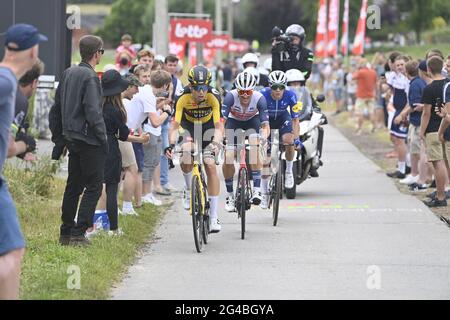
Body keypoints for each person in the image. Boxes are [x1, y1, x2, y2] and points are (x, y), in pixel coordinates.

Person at [0, 23, 46, 300]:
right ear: (33, 50)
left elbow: (5, 147)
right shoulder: (6, 81)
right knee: (13, 251)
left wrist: (22, 145)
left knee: (13, 250)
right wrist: (25, 145)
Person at [49, 35, 108, 246]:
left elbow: (55, 109)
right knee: (94, 186)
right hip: (89, 139)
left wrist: (59, 137)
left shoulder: (68, 73)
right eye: (101, 52)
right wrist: (103, 139)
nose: (101, 55)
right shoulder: (90, 77)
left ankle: (65, 232)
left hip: (71, 137)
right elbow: (93, 112)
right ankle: (79, 231)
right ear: (96, 54)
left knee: (73, 186)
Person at [165, 65, 223, 233]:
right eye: (197, 88)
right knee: (186, 152)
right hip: (188, 127)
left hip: (208, 128)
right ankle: (189, 189)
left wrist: (216, 143)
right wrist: (170, 143)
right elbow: (175, 124)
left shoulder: (214, 96)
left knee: (210, 165)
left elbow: (219, 125)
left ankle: (213, 217)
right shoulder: (182, 97)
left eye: (204, 87)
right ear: (190, 86)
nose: (201, 92)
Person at [99, 70, 149, 235]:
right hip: (111, 148)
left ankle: (94, 222)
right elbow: (123, 134)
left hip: (94, 147)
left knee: (95, 187)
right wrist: (140, 139)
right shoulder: (116, 110)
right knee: (112, 188)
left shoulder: (96, 105)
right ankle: (113, 227)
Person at [221, 71, 270, 212]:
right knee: (229, 157)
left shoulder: (259, 99)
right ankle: (230, 195)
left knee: (254, 149)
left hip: (252, 122)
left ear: (252, 90)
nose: (244, 95)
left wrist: (264, 138)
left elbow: (265, 125)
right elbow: (221, 122)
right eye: (241, 92)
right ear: (237, 90)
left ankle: (256, 190)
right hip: (233, 122)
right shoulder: (230, 96)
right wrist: (222, 137)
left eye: (248, 92)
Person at [259, 70, 302, 209]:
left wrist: (297, 139)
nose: (278, 90)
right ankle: (264, 193)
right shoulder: (262, 95)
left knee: (289, 141)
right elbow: (256, 117)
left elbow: (295, 120)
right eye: (274, 87)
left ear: (285, 87)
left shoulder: (291, 95)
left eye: (281, 87)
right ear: (269, 86)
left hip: (283, 119)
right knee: (266, 159)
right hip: (267, 122)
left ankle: (289, 171)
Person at [419, 56, 449, 207]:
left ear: (429, 70)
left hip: (433, 129)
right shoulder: (447, 84)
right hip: (446, 127)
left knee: (438, 164)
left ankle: (440, 195)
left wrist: (421, 131)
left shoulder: (429, 88)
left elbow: (426, 113)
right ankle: (444, 192)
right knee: (446, 161)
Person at [141, 70, 173, 206]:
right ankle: (145, 194)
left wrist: (158, 103)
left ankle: (148, 193)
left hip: (153, 131)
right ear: (165, 85)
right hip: (149, 131)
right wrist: (167, 112)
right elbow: (155, 121)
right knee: (148, 164)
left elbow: (148, 109)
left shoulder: (149, 92)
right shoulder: (148, 94)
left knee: (153, 162)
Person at [394, 60, 427, 187]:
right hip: (417, 120)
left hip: (417, 122)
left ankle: (416, 175)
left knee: (416, 150)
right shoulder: (418, 82)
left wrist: (402, 115)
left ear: (407, 72)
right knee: (414, 149)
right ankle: (415, 174)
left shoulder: (414, 84)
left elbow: (414, 104)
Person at [119, 74, 144, 215]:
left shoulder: (116, 98)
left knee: (118, 172)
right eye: (135, 88)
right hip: (123, 137)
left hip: (118, 136)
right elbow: (129, 123)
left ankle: (115, 205)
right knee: (131, 169)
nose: (137, 91)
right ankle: (127, 206)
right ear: (128, 87)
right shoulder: (124, 102)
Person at [386, 55, 410, 179]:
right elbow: (393, 90)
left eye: (402, 64)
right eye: (398, 65)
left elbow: (410, 100)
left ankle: (403, 169)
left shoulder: (408, 79)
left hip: (403, 112)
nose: (400, 67)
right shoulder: (397, 76)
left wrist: (403, 114)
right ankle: (406, 164)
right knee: (395, 138)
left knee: (401, 140)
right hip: (397, 110)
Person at [14, 60, 44, 133]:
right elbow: (10, 141)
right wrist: (24, 142)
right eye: (38, 82)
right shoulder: (21, 101)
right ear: (34, 82)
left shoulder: (10, 92)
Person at [352, 58, 378, 135]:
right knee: (371, 112)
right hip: (371, 95)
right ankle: (374, 127)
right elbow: (375, 83)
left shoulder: (360, 72)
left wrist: (357, 68)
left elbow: (353, 77)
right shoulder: (373, 72)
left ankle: (359, 129)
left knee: (360, 113)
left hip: (361, 96)